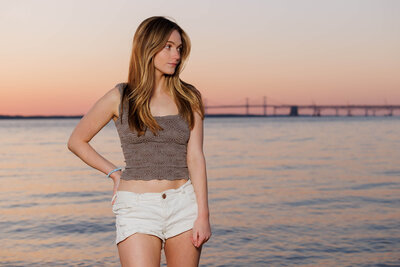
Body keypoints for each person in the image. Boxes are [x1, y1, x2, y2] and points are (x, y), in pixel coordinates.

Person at [67, 16, 212, 266]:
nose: (175, 54)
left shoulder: (190, 97)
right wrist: (113, 172)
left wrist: (203, 214)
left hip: (183, 204)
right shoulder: (120, 97)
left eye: (178, 48)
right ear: (147, 47)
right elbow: (77, 141)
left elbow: (195, 157)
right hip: (137, 208)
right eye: (167, 46)